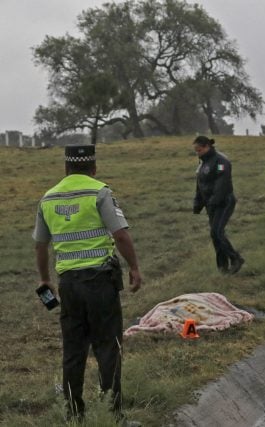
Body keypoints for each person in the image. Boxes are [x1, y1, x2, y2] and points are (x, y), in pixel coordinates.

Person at [33, 145, 142, 422]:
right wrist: (134, 268)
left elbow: (40, 244)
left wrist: (46, 279)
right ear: (93, 168)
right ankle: (112, 416)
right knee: (108, 347)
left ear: (66, 169)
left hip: (68, 284)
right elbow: (120, 236)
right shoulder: (99, 192)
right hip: (100, 283)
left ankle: (74, 414)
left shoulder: (48, 198)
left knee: (73, 350)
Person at [193, 136, 244, 274]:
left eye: (199, 150)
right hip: (211, 204)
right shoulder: (202, 163)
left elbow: (222, 183)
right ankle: (222, 267)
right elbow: (200, 184)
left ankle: (236, 258)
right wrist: (198, 203)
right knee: (215, 235)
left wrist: (215, 200)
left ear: (207, 147)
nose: (197, 153)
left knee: (217, 232)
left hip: (224, 202)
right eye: (196, 151)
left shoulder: (221, 161)